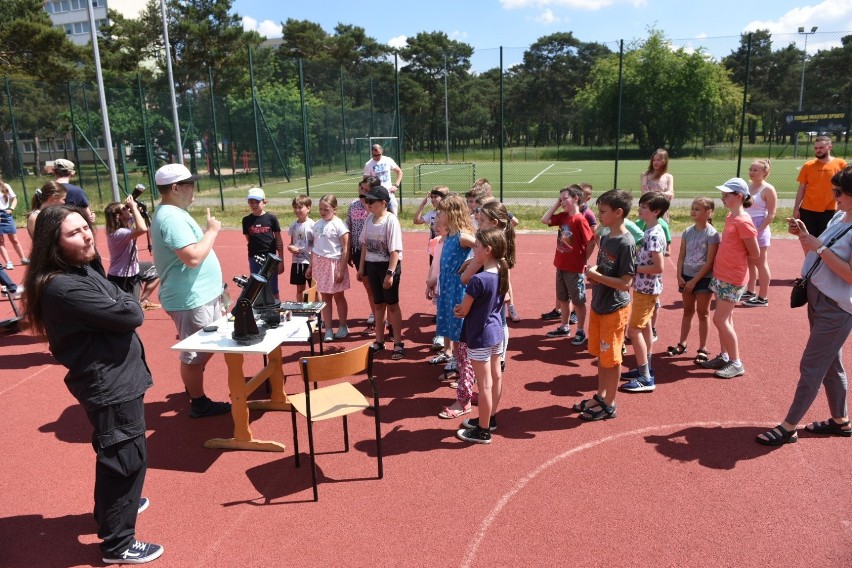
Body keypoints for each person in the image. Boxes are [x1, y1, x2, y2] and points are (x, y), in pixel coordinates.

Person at [23, 205, 163, 564]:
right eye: (74, 232)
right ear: (53, 244)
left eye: (86, 227)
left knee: (119, 453)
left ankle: (115, 508)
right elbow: (132, 313)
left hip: (118, 380)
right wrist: (124, 301)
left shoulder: (82, 268)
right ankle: (118, 544)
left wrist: (120, 299)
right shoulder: (63, 287)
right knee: (125, 459)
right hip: (109, 385)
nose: (86, 235)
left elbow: (119, 300)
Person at [756, 165, 852, 446]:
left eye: (839, 192)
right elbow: (816, 256)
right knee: (831, 363)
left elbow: (849, 274)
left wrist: (818, 247)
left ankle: (788, 427)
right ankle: (840, 421)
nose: (834, 197)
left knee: (811, 365)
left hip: (836, 307)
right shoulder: (840, 217)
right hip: (818, 297)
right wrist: (805, 236)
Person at [150, 163, 230, 419]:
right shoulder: (171, 217)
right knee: (195, 353)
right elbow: (192, 257)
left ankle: (193, 386)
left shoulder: (174, 212)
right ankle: (198, 401)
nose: (193, 187)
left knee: (205, 348)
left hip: (200, 295)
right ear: (175, 188)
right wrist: (212, 231)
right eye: (189, 183)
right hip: (190, 298)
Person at [573, 189, 636, 421]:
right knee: (602, 356)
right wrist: (595, 274)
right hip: (599, 304)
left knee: (612, 358)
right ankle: (601, 395)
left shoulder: (626, 243)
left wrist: (597, 277)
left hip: (614, 309)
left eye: (602, 212)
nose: (598, 215)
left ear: (619, 213)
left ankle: (610, 403)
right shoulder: (607, 236)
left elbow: (625, 283)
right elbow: (604, 270)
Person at [698, 178, 759, 379]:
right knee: (726, 318)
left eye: (726, 194)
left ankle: (736, 362)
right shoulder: (731, 217)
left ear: (739, 196)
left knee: (720, 319)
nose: (722, 198)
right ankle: (725, 356)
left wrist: (734, 263)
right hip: (722, 274)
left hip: (732, 277)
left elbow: (754, 252)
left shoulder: (743, 221)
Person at [455, 227, 509, 444]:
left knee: (484, 384)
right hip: (496, 332)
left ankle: (483, 430)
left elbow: (464, 309)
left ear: (487, 250)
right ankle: (490, 418)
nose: (473, 249)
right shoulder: (502, 270)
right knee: (496, 377)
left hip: (480, 334)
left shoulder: (478, 280)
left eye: (476, 246)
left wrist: (458, 309)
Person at [620, 191, 669, 393]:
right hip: (645, 287)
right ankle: (646, 368)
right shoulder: (651, 231)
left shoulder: (654, 234)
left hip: (646, 288)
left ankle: (645, 378)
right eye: (640, 206)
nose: (639, 209)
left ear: (656, 211)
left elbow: (658, 266)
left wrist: (633, 268)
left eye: (644, 207)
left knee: (634, 331)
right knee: (646, 327)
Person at [435, 195, 476, 417]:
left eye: (441, 212)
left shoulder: (461, 236)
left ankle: (464, 400)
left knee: (463, 350)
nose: (438, 215)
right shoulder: (449, 236)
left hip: (459, 296)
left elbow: (485, 248)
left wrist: (470, 263)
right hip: (449, 295)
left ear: (451, 214)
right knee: (461, 349)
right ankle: (468, 389)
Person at [540, 185, 594, 345]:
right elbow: (544, 220)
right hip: (561, 265)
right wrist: (557, 204)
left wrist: (583, 260)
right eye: (560, 199)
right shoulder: (563, 216)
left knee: (578, 300)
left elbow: (590, 241)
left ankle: (580, 330)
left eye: (564, 199)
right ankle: (564, 326)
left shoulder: (580, 220)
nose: (562, 202)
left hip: (574, 268)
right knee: (563, 298)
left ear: (576, 198)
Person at [669, 197, 719, 364]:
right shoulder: (687, 231)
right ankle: (682, 343)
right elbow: (682, 254)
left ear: (708, 212)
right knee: (687, 310)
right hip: (686, 277)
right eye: (693, 208)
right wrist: (679, 275)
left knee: (703, 313)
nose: (693, 211)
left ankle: (703, 347)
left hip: (703, 279)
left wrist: (694, 281)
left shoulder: (712, 234)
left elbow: (710, 261)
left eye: (698, 209)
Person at [357, 185, 405, 359]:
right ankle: (379, 340)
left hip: (388, 267)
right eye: (367, 201)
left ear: (383, 203)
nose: (368, 204)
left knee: (392, 305)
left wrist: (390, 273)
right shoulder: (369, 219)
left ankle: (398, 342)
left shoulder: (391, 220)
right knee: (378, 305)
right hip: (372, 265)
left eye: (372, 201)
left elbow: (395, 251)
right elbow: (364, 245)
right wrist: (361, 267)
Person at [104, 197, 161, 310]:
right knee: (129, 310)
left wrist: (137, 211)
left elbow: (138, 221)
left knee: (157, 269)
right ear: (118, 216)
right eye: (125, 209)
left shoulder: (125, 225)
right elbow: (142, 229)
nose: (128, 210)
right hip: (121, 276)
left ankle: (143, 300)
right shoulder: (118, 233)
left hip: (133, 270)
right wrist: (134, 208)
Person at [307, 194, 350, 341]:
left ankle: (343, 326)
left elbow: (345, 249)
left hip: (335, 264)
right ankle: (329, 330)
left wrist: (341, 270)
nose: (323, 212)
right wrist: (311, 266)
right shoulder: (317, 224)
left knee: (339, 296)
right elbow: (315, 247)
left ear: (334, 209)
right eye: (320, 209)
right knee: (325, 297)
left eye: (326, 209)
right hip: (320, 264)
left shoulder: (340, 225)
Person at [794, 136, 848, 238]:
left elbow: (846, 187)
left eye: (821, 148)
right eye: (816, 148)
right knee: (808, 240)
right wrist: (796, 208)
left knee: (826, 241)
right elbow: (801, 188)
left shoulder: (841, 164)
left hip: (831, 210)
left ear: (829, 147)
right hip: (808, 210)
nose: (818, 150)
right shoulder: (808, 165)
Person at [743, 159, 777, 307]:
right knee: (749, 261)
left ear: (764, 172)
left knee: (760, 263)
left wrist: (758, 231)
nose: (751, 172)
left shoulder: (768, 189)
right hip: (745, 226)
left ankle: (762, 297)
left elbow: (771, 214)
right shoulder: (746, 187)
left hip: (759, 228)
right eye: (750, 169)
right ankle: (750, 291)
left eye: (755, 170)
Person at [241, 187, 284, 300]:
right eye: (251, 202)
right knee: (257, 287)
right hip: (254, 258)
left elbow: (279, 240)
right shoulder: (246, 220)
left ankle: (275, 310)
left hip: (270, 259)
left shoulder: (271, 218)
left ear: (264, 202)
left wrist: (281, 260)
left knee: (273, 288)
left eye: (257, 202)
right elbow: (249, 238)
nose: (254, 205)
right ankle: (261, 312)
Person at [347, 177, 377, 331]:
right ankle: (375, 312)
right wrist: (350, 253)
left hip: (375, 252)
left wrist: (368, 206)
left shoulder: (377, 207)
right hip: (359, 251)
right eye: (362, 189)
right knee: (368, 286)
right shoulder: (352, 205)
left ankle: (382, 317)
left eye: (367, 190)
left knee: (377, 285)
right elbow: (349, 228)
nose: (364, 193)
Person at [287, 195, 314, 302]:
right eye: (295, 207)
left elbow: (316, 245)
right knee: (299, 289)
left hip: (310, 262)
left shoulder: (313, 225)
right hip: (297, 262)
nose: (297, 210)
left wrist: (312, 264)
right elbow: (291, 243)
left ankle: (317, 314)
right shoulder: (293, 225)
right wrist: (290, 248)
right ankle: (300, 309)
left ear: (308, 208)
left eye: (300, 207)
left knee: (314, 289)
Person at [363, 144, 402, 214]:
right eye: (375, 155)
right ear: (371, 153)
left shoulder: (388, 160)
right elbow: (365, 181)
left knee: (394, 206)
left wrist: (396, 185)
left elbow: (399, 172)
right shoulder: (368, 164)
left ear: (382, 151)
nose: (377, 157)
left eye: (379, 155)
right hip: (376, 193)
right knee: (377, 212)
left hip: (388, 191)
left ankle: (394, 223)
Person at [53, 158, 95, 223]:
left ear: (54, 171)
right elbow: (88, 216)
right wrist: (92, 216)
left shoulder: (47, 189)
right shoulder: (77, 191)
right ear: (72, 173)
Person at [0, 176, 28, 269]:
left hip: (6, 214)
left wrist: (11, 208)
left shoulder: (5, 186)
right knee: (1, 241)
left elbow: (14, 198)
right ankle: (8, 262)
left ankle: (23, 258)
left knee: (14, 239)